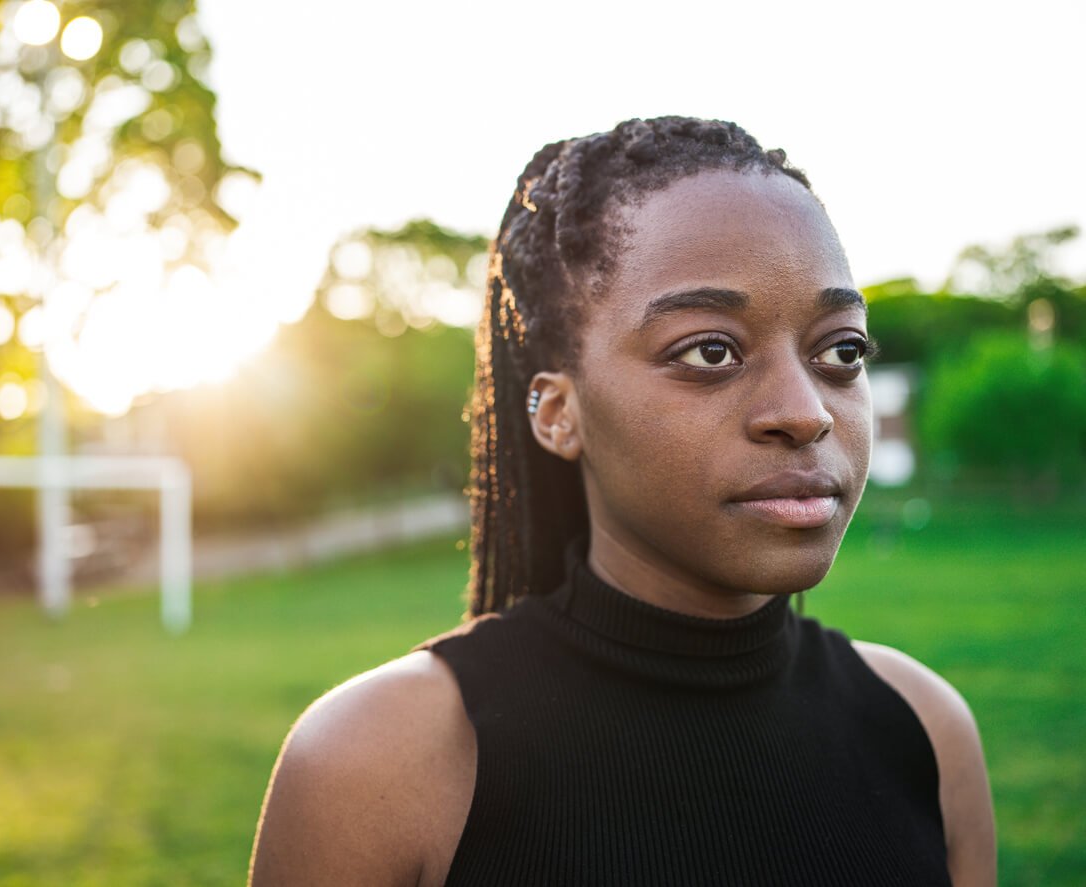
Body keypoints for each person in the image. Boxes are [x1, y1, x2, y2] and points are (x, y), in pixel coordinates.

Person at [249, 117, 996, 886]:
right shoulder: (380, 763)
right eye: (710, 350)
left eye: (840, 350)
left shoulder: (922, 727)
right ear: (557, 411)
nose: (804, 411)